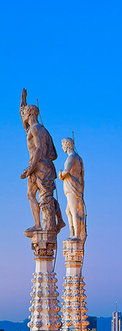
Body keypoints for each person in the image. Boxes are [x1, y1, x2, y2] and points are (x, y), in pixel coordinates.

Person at [20, 89, 65, 236]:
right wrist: (23, 102)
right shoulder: (43, 130)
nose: (23, 115)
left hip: (38, 167)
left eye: (25, 113)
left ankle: (40, 224)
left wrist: (31, 167)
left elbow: (39, 148)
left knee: (41, 196)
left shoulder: (35, 129)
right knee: (36, 195)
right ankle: (55, 221)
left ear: (31, 114)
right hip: (44, 166)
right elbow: (54, 154)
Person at [59, 138, 86, 241]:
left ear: (67, 145)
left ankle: (76, 235)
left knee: (73, 211)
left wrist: (60, 174)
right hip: (74, 186)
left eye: (62, 145)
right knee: (68, 211)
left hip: (72, 187)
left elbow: (66, 171)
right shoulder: (78, 158)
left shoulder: (72, 157)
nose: (62, 147)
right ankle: (72, 233)